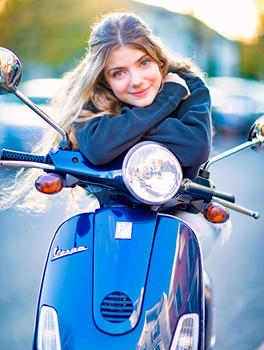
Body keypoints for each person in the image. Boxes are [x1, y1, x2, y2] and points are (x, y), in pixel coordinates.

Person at [1, 11, 212, 212]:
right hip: (115, 206)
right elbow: (98, 147)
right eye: (119, 73)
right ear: (104, 79)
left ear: (159, 59)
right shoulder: (92, 94)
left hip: (177, 209)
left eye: (144, 63)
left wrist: (117, 134)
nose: (137, 81)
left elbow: (196, 146)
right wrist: (166, 100)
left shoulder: (188, 83)